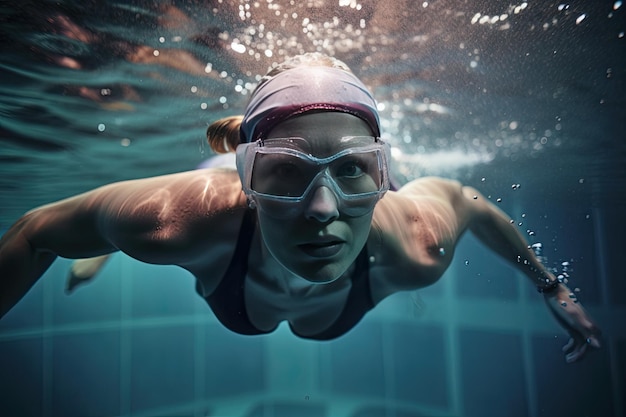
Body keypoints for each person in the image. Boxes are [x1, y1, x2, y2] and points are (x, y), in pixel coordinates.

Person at [0, 53, 600, 362]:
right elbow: (34, 232)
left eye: (353, 170)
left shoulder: (417, 238)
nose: (320, 209)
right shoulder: (176, 218)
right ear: (250, 175)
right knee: (108, 235)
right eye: (284, 173)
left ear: (383, 176)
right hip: (222, 198)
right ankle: (104, 250)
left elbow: (471, 202)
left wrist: (552, 287)